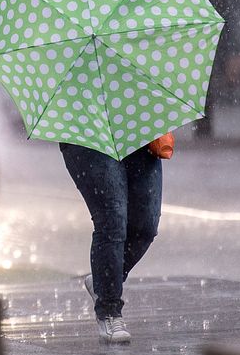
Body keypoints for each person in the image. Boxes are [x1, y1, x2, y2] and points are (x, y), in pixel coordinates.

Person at [59, 142, 163, 344]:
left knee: (146, 226)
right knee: (112, 220)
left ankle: (102, 281)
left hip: (137, 131)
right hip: (87, 134)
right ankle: (109, 310)